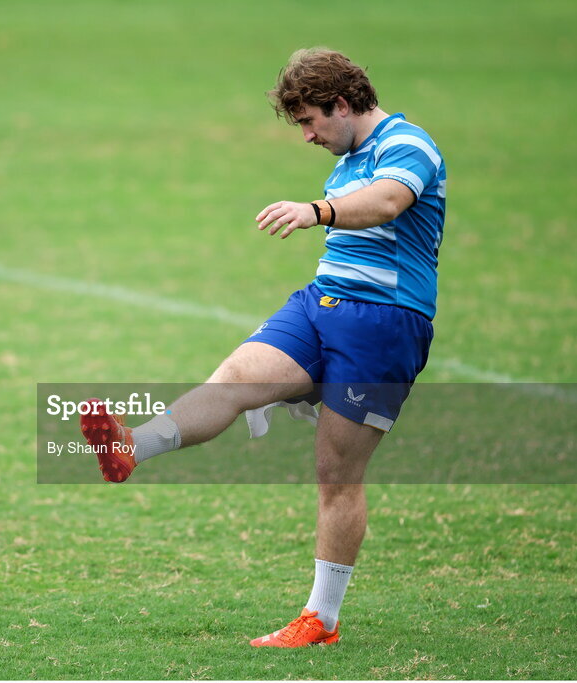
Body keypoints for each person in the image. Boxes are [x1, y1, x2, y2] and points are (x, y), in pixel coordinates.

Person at [79, 48, 446, 647]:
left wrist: (317, 210)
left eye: (309, 120)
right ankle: (129, 450)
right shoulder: (347, 156)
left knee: (336, 475)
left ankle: (320, 620)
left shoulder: (409, 145)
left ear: (344, 104)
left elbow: (386, 203)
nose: (306, 135)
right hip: (320, 302)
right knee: (235, 376)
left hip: (385, 323)